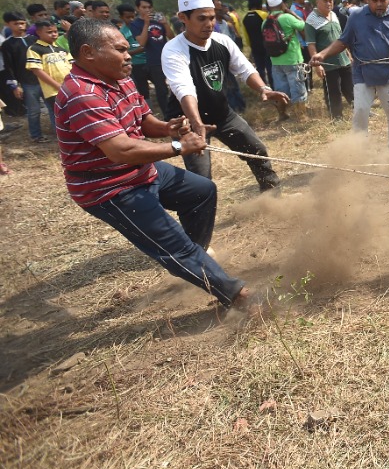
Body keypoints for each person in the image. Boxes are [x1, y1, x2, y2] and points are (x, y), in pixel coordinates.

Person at [55, 17, 251, 308]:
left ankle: (194, 261)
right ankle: (238, 297)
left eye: (127, 49)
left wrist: (168, 128)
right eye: (120, 49)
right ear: (88, 52)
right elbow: (120, 150)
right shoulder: (82, 94)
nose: (129, 55)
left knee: (201, 191)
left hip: (139, 169)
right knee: (176, 247)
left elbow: (143, 120)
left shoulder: (120, 78)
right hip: (109, 187)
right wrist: (178, 146)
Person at [162, 0, 289, 192]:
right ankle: (204, 211)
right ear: (183, 18)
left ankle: (272, 196)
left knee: (257, 151)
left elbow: (244, 69)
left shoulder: (222, 41)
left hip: (221, 113)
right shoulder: (173, 50)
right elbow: (183, 87)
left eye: (212, 18)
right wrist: (196, 123)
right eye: (201, 19)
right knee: (201, 177)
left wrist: (263, 88)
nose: (209, 24)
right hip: (188, 122)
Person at [310, 0, 389, 157]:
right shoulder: (356, 17)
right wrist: (322, 54)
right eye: (375, 0)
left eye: (383, 0)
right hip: (363, 73)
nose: (379, 4)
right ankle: (360, 153)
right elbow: (343, 41)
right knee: (360, 112)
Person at [305, 0, 352, 121]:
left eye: (330, 1)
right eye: (325, 1)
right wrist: (317, 65)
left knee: (350, 87)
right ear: (317, 2)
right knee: (333, 91)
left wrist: (348, 53)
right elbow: (311, 44)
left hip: (343, 59)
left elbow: (340, 37)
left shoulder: (334, 15)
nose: (328, 3)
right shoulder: (311, 20)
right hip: (328, 63)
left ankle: (360, 109)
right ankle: (337, 118)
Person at [1, 12, 47, 142]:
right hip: (27, 83)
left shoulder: (34, 40)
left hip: (44, 79)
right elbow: (9, 67)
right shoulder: (8, 44)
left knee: (53, 107)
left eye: (22, 23)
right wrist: (15, 86)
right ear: (8, 25)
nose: (20, 26)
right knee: (34, 110)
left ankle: (60, 132)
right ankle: (36, 135)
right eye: (16, 24)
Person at [25, 19, 74, 134]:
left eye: (55, 31)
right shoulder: (34, 49)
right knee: (62, 116)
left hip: (69, 88)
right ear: (39, 32)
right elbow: (37, 70)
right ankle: (65, 137)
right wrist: (58, 86)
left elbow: (72, 66)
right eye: (49, 32)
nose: (54, 34)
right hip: (53, 91)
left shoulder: (61, 49)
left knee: (73, 113)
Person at [265, 0, 309, 118]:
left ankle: (282, 114)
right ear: (282, 4)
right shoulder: (287, 17)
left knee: (280, 91)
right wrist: (291, 12)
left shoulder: (265, 21)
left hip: (275, 60)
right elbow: (304, 25)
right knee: (298, 89)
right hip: (292, 59)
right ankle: (300, 116)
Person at [131, 0, 172, 115]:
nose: (147, 10)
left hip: (167, 57)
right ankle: (167, 115)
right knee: (162, 89)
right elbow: (142, 43)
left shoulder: (158, 20)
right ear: (138, 8)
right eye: (144, 7)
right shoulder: (136, 24)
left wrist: (165, 24)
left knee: (174, 87)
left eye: (149, 7)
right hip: (154, 61)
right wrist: (146, 24)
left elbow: (172, 37)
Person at [241, 0, 273, 89]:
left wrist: (250, 46)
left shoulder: (245, 17)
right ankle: (273, 87)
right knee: (270, 68)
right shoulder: (264, 15)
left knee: (260, 68)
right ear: (260, 4)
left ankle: (263, 88)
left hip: (254, 46)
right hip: (267, 46)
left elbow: (246, 35)